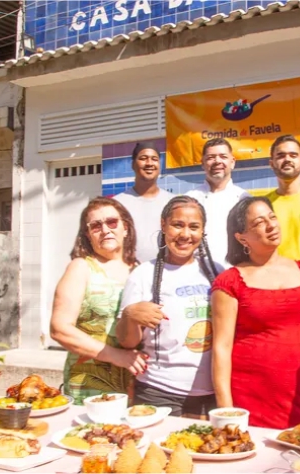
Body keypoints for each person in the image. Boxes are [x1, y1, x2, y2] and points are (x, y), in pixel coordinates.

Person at [211, 196, 300, 429]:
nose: (271, 225)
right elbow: (221, 348)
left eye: (272, 217)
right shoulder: (230, 281)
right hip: (248, 396)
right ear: (241, 237)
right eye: (259, 222)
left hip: (298, 392)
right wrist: (227, 411)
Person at [115, 196, 223, 418]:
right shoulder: (143, 274)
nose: (185, 234)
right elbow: (128, 342)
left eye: (194, 227)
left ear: (203, 231)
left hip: (212, 393)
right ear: (163, 225)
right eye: (177, 225)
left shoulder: (217, 272)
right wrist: (130, 315)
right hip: (159, 392)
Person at [50, 198, 149, 403]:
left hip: (136, 384)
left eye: (112, 222)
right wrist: (116, 356)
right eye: (95, 226)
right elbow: (59, 328)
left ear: (125, 228)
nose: (105, 230)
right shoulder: (81, 268)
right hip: (89, 386)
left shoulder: (141, 271)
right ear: (88, 235)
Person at [186, 138, 251, 267]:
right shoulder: (189, 199)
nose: (217, 161)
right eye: (211, 157)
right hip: (197, 274)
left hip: (236, 273)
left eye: (223, 156)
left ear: (232, 162)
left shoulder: (245, 200)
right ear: (203, 163)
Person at [113, 142, 175, 263]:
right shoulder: (117, 204)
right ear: (133, 164)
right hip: (129, 273)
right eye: (143, 158)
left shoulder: (173, 203)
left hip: (167, 273)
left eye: (154, 159)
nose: (149, 163)